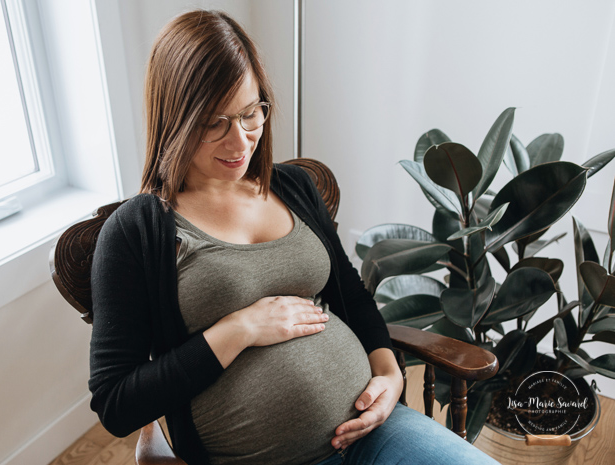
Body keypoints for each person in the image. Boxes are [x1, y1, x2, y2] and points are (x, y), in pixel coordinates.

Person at [88, 9, 499, 465]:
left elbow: (351, 296)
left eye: (250, 114)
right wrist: (239, 329)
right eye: (214, 123)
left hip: (376, 430)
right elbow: (116, 404)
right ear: (175, 118)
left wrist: (388, 377)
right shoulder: (135, 232)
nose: (241, 142)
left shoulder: (293, 187)